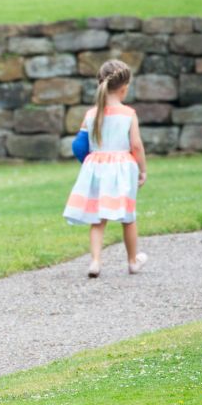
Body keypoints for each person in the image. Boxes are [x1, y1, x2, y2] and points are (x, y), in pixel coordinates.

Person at [63, 59, 148, 278]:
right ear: (124, 88)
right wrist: (143, 169)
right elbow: (136, 145)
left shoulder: (91, 114)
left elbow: (79, 144)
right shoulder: (128, 114)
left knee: (98, 219)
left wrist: (87, 159)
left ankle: (95, 262)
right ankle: (132, 261)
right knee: (128, 217)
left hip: (97, 168)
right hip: (122, 168)